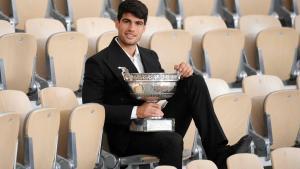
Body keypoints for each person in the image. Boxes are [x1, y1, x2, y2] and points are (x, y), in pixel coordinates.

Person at [82, 0, 252, 168]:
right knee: (173, 141)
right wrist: (137, 111)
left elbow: (163, 92)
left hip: (157, 123)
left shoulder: (150, 56)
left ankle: (220, 154)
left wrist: (180, 76)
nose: (132, 28)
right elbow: (91, 109)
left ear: (144, 27)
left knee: (194, 81)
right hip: (127, 135)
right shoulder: (98, 62)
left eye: (138, 23)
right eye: (127, 21)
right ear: (117, 23)